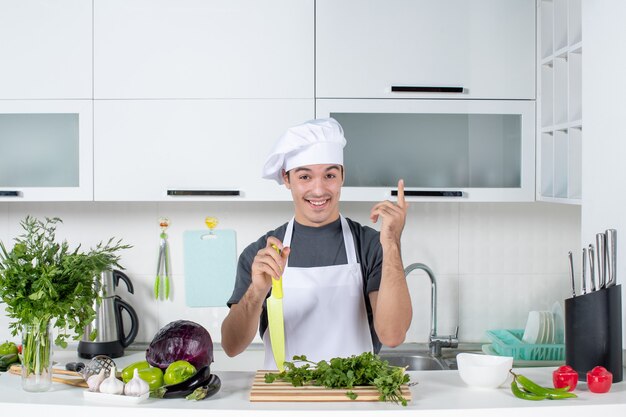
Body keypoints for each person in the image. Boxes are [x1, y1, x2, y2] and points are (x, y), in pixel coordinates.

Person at [221, 118, 412, 369]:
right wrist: (257, 292)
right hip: (286, 400)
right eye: (305, 177)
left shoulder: (370, 245)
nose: (319, 190)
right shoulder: (263, 254)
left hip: (354, 400)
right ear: (286, 179)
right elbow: (231, 346)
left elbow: (393, 335)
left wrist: (392, 242)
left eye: (330, 175)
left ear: (343, 176)